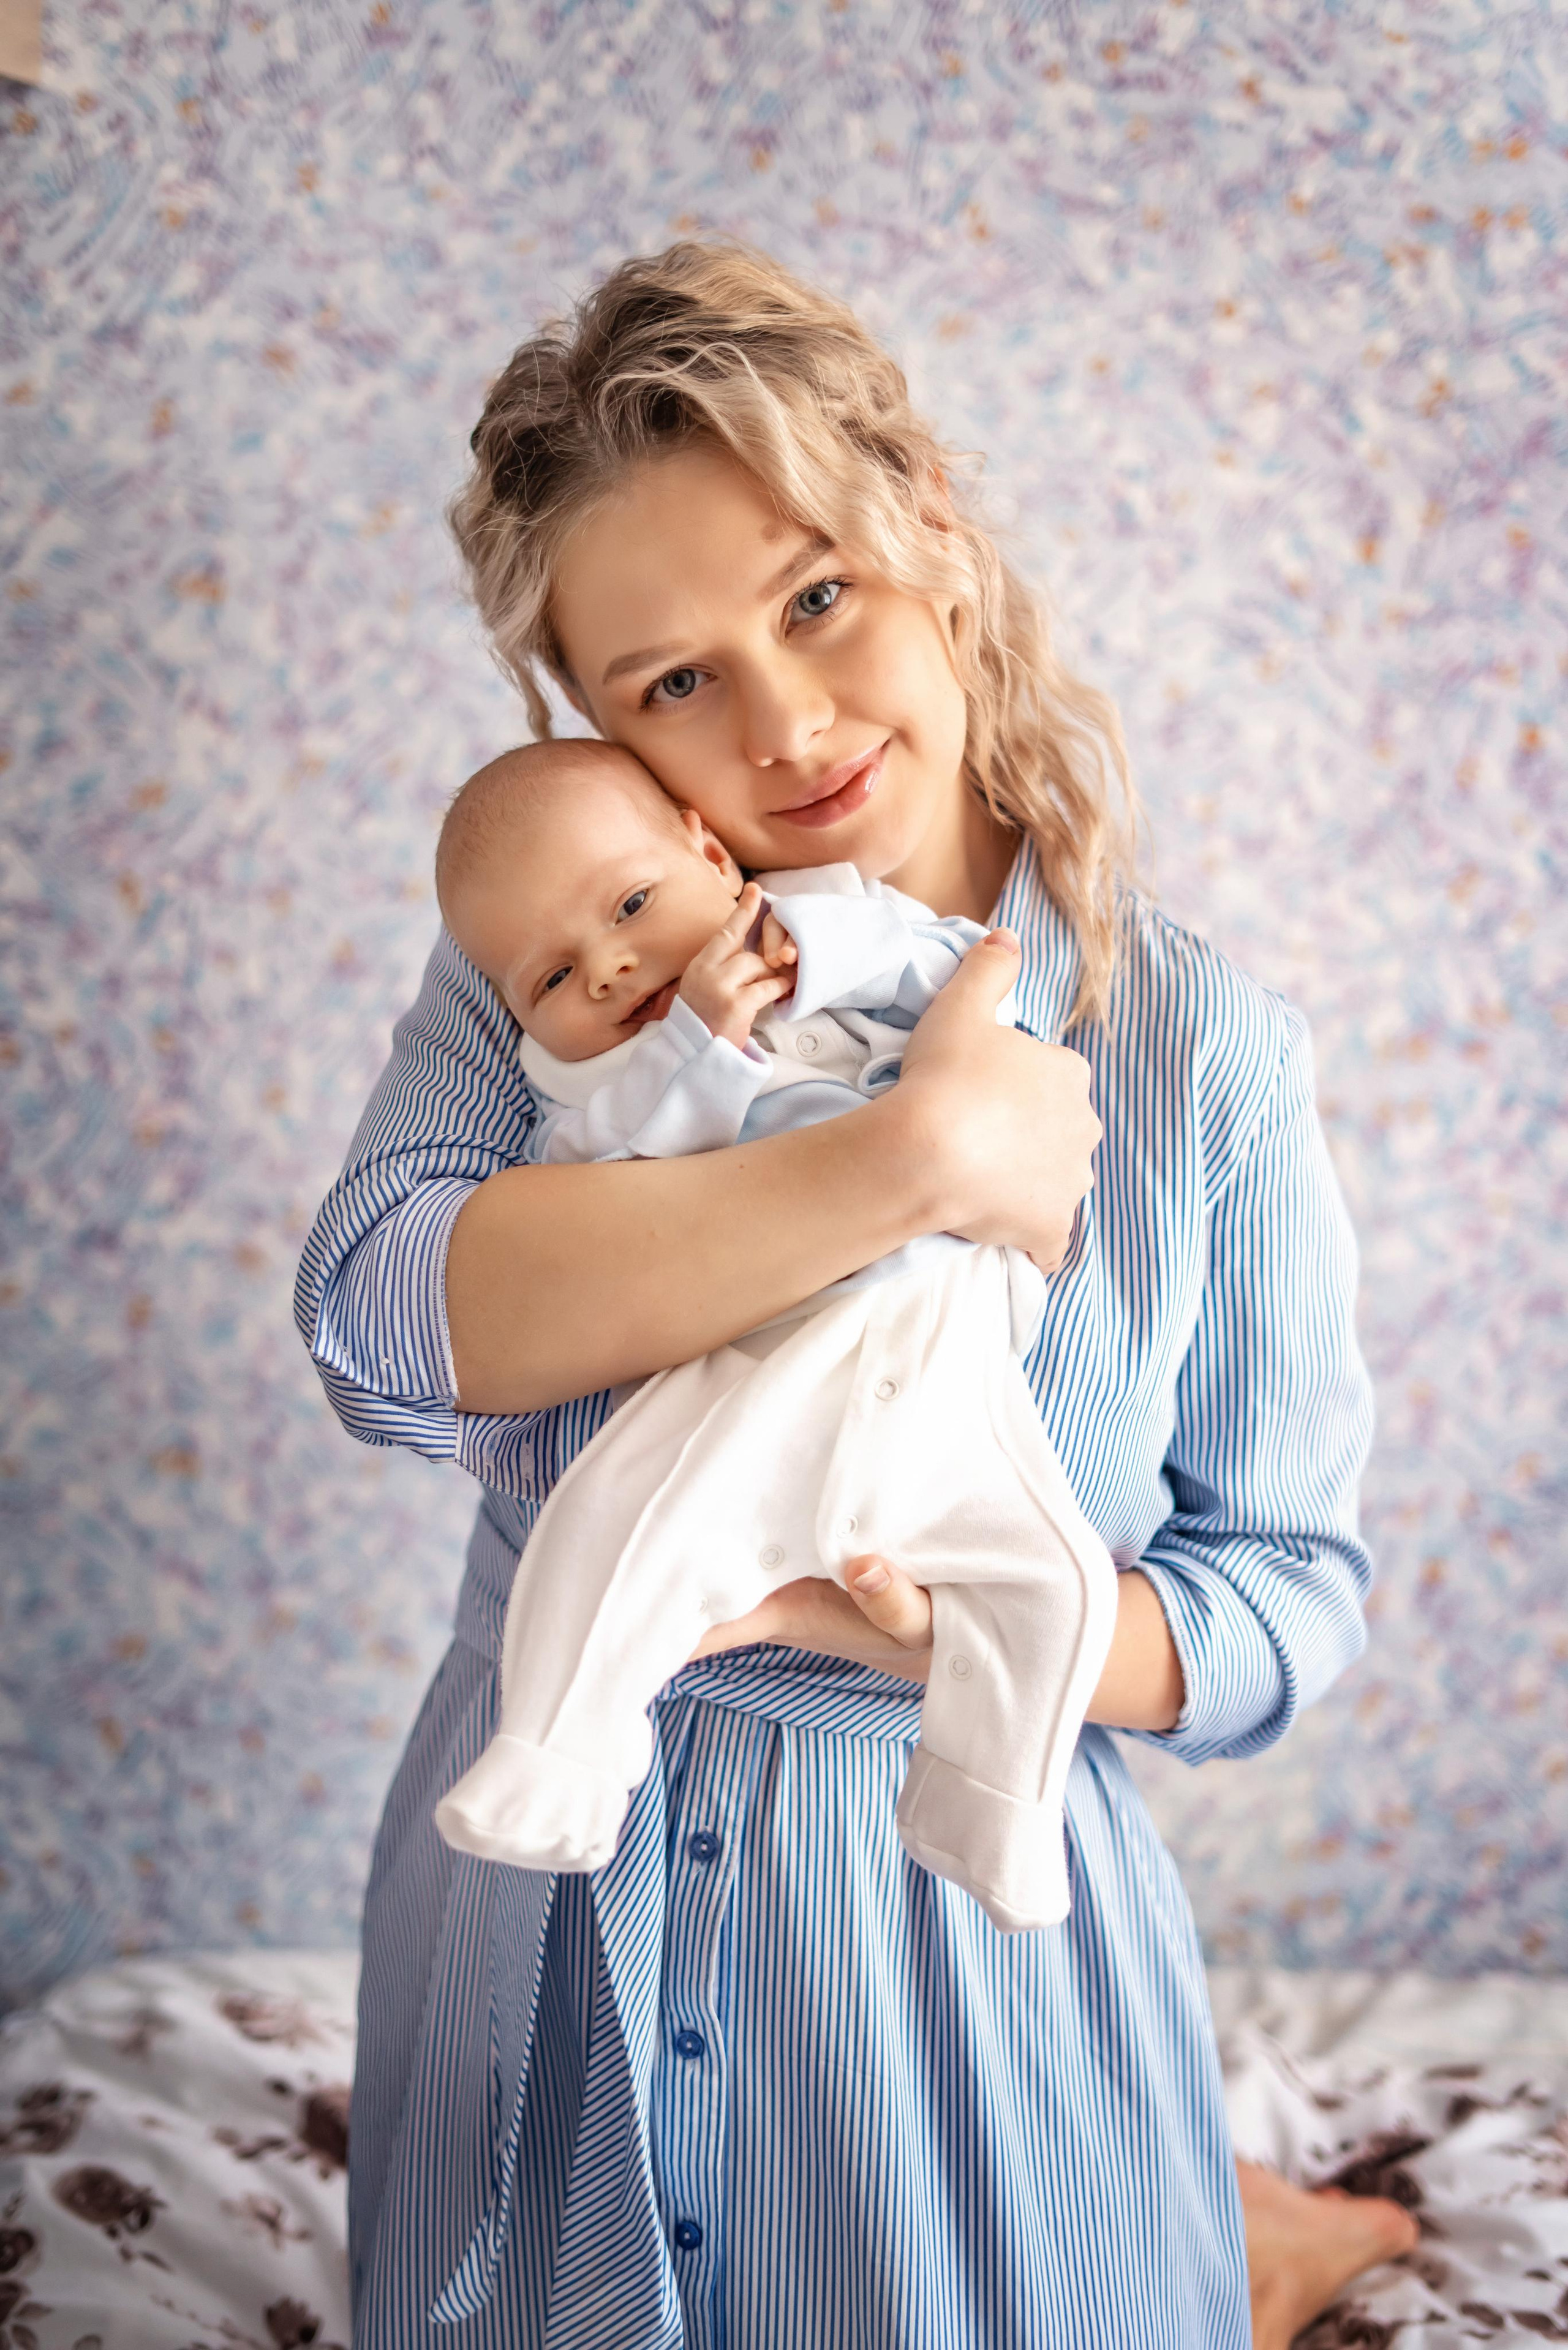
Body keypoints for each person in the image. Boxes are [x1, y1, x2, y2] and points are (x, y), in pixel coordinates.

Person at [295, 241, 1418, 2348]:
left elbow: (1291, 1594)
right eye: (674, 681)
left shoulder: (1198, 1058)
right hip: (554, 1906)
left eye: (818, 597)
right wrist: (905, 1158)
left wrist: (965, 1628)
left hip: (941, 1965)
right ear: (596, 721)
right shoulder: (564, 973)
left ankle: (1255, 2234)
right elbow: (381, 1316)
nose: (789, 725)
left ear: (940, 545)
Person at [428, 738, 1118, 1933]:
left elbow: (960, 969)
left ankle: (989, 1801)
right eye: (551, 978)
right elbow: (603, 1175)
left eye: (632, 905)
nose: (612, 967)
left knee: (1058, 1583)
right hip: (767, 1354)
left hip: (942, 1357)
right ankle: (556, 1759)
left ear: (705, 850)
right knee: (616, 1533)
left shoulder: (831, 921)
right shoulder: (591, 1080)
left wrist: (812, 958)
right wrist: (695, 1044)